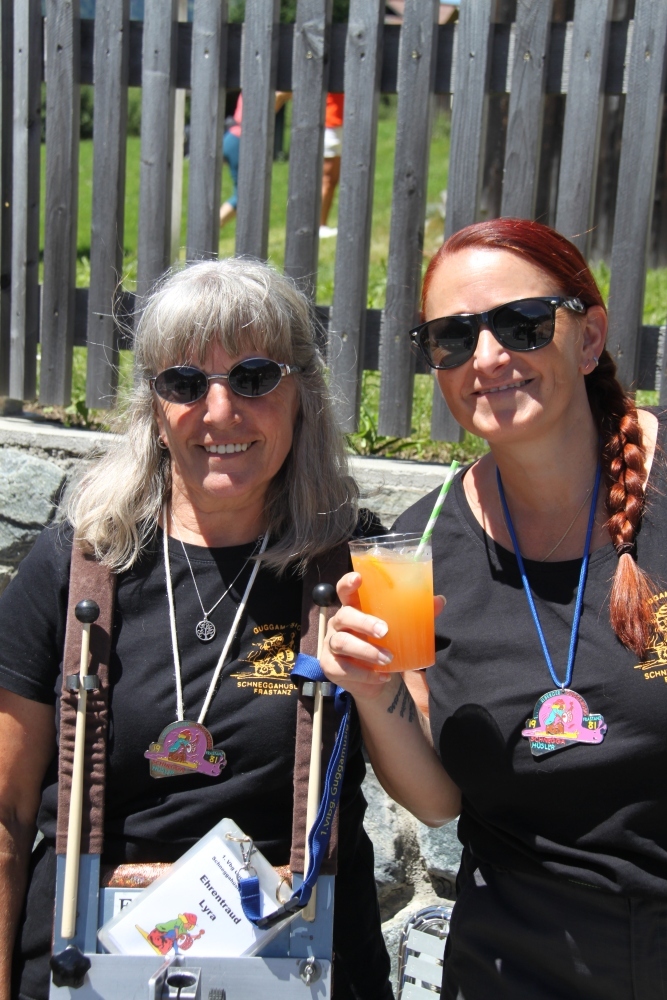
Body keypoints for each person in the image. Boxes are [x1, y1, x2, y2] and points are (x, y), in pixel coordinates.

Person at [0, 259, 393, 1000]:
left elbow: (429, 785)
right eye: (184, 382)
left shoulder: (353, 566)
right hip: (85, 969)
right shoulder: (77, 566)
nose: (219, 411)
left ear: (302, 394)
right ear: (154, 407)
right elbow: (6, 813)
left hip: (299, 970)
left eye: (253, 377)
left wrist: (381, 690)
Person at [320, 217, 667, 999]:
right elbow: (437, 800)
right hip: (514, 960)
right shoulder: (417, 547)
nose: (485, 357)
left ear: (588, 338)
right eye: (452, 336)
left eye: (522, 324)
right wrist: (373, 692)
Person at [220, 92, 292, 229]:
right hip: (240, 141)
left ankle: (211, 228)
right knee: (244, 195)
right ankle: (210, 228)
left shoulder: (253, 86)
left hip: (234, 139)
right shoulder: (266, 89)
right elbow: (278, 95)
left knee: (247, 194)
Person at [319, 93, 344, 240]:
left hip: (341, 124)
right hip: (331, 125)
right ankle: (320, 225)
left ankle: (322, 224)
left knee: (332, 180)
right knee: (327, 180)